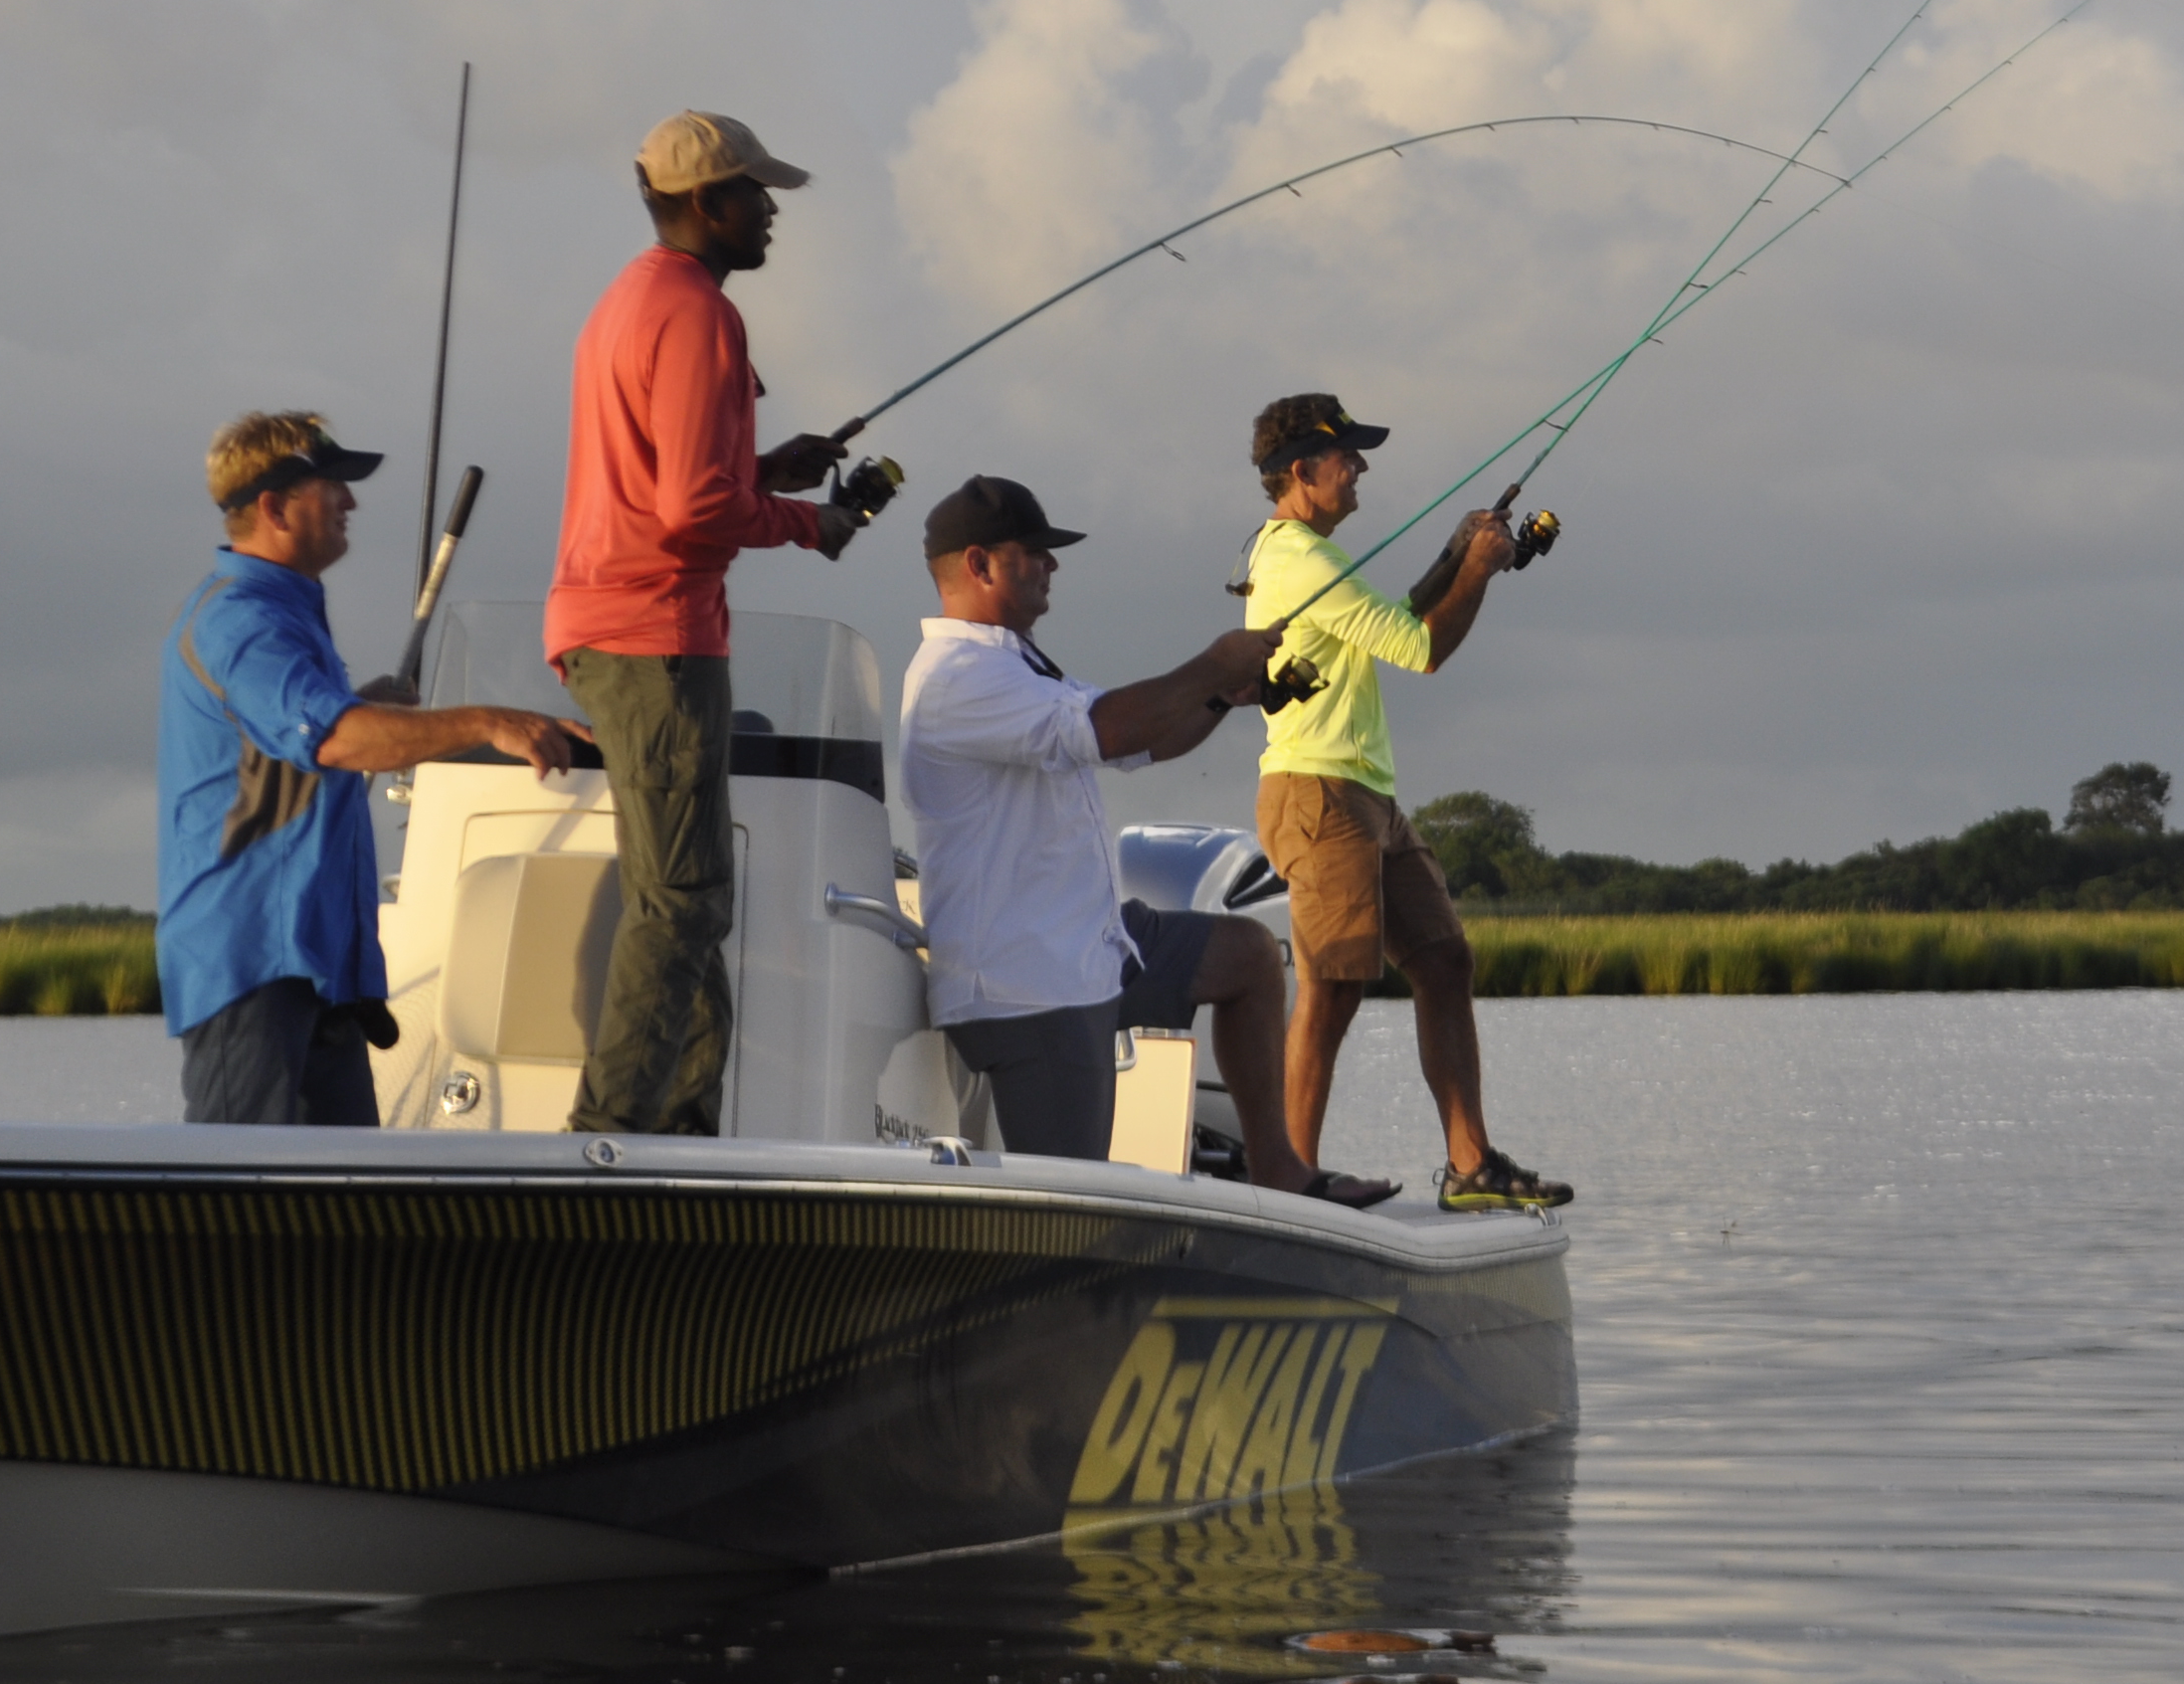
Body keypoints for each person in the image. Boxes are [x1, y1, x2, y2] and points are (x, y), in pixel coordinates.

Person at [545, 108, 891, 1137]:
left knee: (689, 899)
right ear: (706, 203)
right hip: (654, 633)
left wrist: (761, 470)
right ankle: (605, 1137)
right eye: (755, 191)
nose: (772, 209)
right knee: (683, 902)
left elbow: (682, 478)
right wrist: (808, 522)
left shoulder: (630, 299)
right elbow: (688, 510)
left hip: (618, 626)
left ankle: (685, 1136)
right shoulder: (697, 311)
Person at [896, 475, 1347, 1193]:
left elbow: (1146, 739)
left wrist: (1225, 695)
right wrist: (1210, 663)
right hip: (1028, 988)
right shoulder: (958, 676)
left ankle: (1278, 1173)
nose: (1053, 566)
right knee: (1075, 1200)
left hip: (1092, 943)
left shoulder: (1014, 664)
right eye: (1034, 553)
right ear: (978, 564)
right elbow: (1108, 729)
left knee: (1248, 956)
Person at [162, 411, 586, 1126]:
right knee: (237, 1213)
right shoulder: (243, 621)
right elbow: (332, 741)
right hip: (257, 965)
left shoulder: (284, 613)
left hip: (318, 969)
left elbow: (305, 734)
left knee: (344, 1207)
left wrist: (358, 705)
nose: (351, 503)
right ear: (273, 506)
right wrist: (489, 722)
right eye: (332, 488)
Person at [1239, 393, 1571, 1212]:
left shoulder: (1317, 559)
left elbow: (1394, 620)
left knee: (1444, 960)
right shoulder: (1298, 560)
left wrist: (1459, 553)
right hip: (1317, 791)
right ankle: (1288, 1185)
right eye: (1345, 454)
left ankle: (1470, 1166)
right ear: (1298, 471)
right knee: (1335, 983)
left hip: (1368, 794)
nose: (1359, 467)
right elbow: (1421, 650)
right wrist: (1482, 572)